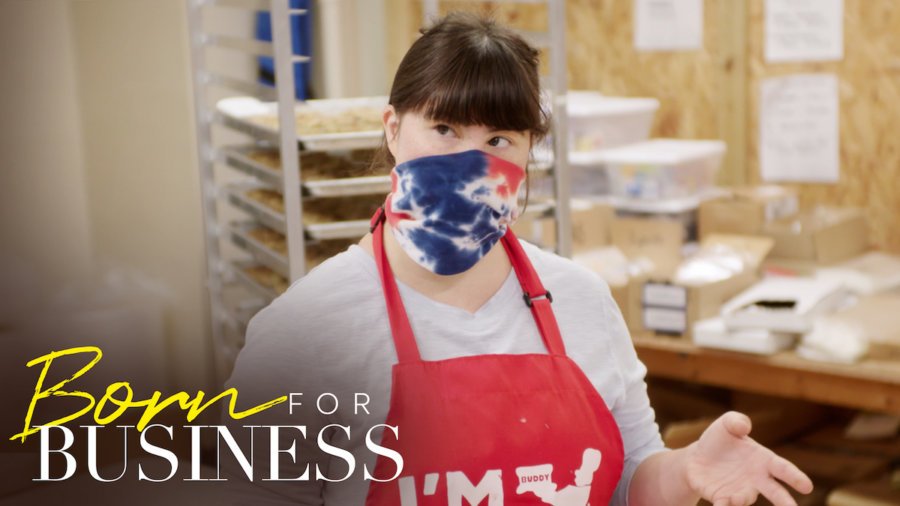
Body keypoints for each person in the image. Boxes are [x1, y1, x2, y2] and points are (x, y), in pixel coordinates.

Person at [225, 12, 813, 506]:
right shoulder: (307, 329)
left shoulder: (580, 299)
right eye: (445, 128)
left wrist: (683, 472)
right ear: (393, 129)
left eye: (498, 140)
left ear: (530, 151)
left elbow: (629, 478)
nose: (467, 161)